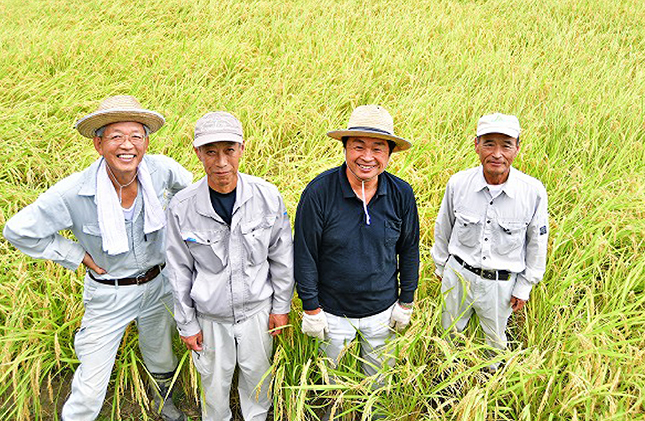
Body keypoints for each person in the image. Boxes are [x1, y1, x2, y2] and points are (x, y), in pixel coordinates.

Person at [3, 95, 192, 421]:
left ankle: (166, 407)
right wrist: (76, 255)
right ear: (98, 143)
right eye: (116, 136)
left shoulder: (160, 170)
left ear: (146, 142)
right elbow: (18, 230)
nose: (127, 145)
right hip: (109, 292)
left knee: (161, 355)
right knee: (90, 386)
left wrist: (175, 225)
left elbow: (189, 192)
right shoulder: (73, 192)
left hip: (159, 283)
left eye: (136, 135)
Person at [165, 111, 294, 421]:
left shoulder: (267, 197)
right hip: (210, 319)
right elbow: (178, 269)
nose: (221, 161)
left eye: (229, 150)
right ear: (197, 153)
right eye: (211, 151)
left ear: (242, 149)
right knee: (214, 391)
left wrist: (281, 307)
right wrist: (187, 323)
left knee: (258, 384)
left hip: (257, 314)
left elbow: (282, 255)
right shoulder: (182, 207)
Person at [295, 105, 420, 388]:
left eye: (377, 148)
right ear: (345, 148)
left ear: (389, 153)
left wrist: (406, 301)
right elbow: (305, 252)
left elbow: (409, 248)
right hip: (331, 314)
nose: (367, 157)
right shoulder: (319, 192)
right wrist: (311, 308)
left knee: (378, 388)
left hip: (383, 313)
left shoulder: (401, 193)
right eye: (358, 146)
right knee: (331, 386)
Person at [431, 113, 549, 371]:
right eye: (489, 144)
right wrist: (441, 267)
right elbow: (444, 227)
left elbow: (537, 243)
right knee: (449, 337)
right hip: (458, 275)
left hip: (501, 284)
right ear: (476, 145)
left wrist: (524, 287)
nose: (497, 154)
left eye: (506, 145)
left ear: (518, 147)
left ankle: (486, 390)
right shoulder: (458, 183)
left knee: (494, 344)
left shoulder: (532, 191)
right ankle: (448, 384)